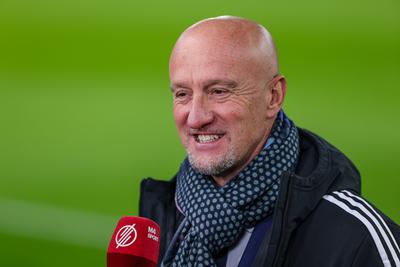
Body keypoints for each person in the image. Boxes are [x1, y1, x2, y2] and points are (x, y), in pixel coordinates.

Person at [139, 16, 400, 267]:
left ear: (273, 96)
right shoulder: (162, 220)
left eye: (218, 91)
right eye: (183, 94)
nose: (196, 117)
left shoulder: (356, 238)